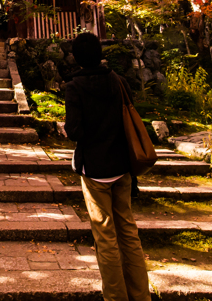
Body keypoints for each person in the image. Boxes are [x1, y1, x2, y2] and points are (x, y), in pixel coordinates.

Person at [64, 32, 151, 301]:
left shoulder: (74, 87)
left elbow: (75, 130)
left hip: (95, 168)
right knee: (128, 231)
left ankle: (115, 297)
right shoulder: (118, 81)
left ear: (77, 58)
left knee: (105, 235)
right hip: (122, 165)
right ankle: (140, 295)